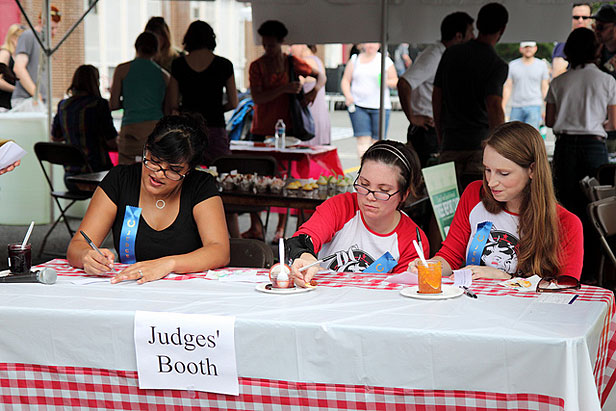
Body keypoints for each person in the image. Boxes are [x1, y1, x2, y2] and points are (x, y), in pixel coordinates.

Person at [408, 122, 583, 280]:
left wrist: (506, 278)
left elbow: (564, 290)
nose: (491, 182)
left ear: (533, 170)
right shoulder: (474, 194)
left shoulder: (566, 223)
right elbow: (450, 256)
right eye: (487, 170)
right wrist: (429, 266)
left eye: (503, 173)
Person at [66, 114, 230, 284]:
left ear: (188, 171)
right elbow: (77, 246)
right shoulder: (120, 180)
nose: (159, 174)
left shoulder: (200, 186)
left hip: (185, 292)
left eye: (173, 170)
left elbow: (219, 250)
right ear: (146, 149)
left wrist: (168, 264)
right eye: (154, 160)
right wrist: (87, 256)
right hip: (128, 289)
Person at [289, 140, 429, 287]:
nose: (369, 196)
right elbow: (301, 240)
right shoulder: (342, 207)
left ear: (404, 194)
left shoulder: (413, 241)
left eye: (383, 190)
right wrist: (306, 258)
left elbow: (400, 294)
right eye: (364, 184)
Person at [545, 28, 616, 283]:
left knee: (566, 209)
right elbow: (612, 123)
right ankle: (596, 273)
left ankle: (568, 267)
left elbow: (550, 120)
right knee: (597, 210)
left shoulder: (558, 81)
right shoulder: (607, 80)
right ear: (596, 50)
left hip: (565, 148)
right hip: (594, 146)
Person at [245, 20, 326, 243]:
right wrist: (283, 88)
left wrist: (313, 93)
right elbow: (257, 98)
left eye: (272, 46)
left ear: (281, 43)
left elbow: (321, 75)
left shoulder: (292, 62)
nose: (268, 50)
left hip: (289, 129)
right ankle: (256, 225)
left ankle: (281, 228)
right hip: (262, 128)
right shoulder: (257, 66)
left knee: (287, 180)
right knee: (256, 180)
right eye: (265, 45)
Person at [433, 2, 508, 189]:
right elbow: (494, 106)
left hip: (450, 141)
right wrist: (500, 145)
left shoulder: (451, 53)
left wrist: (440, 133)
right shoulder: (496, 64)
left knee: (445, 205)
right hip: (479, 146)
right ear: (503, 29)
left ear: (479, 25)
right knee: (476, 203)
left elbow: (437, 96)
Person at [397, 12, 475, 168]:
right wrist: (412, 117)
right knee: (429, 181)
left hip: (439, 129)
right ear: (459, 36)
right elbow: (404, 83)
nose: (473, 37)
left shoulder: (448, 55)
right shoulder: (433, 56)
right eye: (471, 32)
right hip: (427, 130)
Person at [166, 20, 238, 164]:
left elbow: (173, 102)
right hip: (216, 126)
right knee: (220, 169)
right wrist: (217, 109)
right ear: (211, 39)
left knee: (186, 171)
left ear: (188, 40)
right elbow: (233, 102)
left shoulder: (178, 65)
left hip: (187, 129)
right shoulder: (225, 65)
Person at [51, 65, 118, 191]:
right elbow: (111, 142)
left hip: (70, 178)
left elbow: (56, 137)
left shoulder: (63, 106)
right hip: (97, 176)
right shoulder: (99, 104)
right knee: (129, 184)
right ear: (94, 82)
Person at [110, 31, 169, 165]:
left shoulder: (122, 70)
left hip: (130, 131)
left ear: (136, 47)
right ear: (156, 51)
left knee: (125, 176)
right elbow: (167, 108)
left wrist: (129, 102)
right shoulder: (164, 76)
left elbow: (113, 104)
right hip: (155, 131)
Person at [341, 42, 398, 158]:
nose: (370, 45)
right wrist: (348, 95)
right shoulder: (355, 59)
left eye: (374, 43)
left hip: (380, 106)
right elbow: (345, 80)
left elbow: (395, 81)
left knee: (378, 142)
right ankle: (363, 168)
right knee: (362, 141)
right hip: (358, 105)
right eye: (367, 43)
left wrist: (385, 82)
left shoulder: (385, 61)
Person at [11, 5, 61, 108]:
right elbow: (18, 68)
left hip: (40, 100)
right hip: (26, 100)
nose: (54, 32)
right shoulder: (28, 36)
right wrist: (35, 93)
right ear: (40, 21)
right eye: (51, 28)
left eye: (56, 28)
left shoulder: (45, 42)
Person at [289, 44, 331, 145]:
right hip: (322, 115)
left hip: (309, 116)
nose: (290, 49)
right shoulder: (318, 60)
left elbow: (299, 83)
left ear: (303, 45)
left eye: (292, 45)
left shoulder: (305, 62)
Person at [502, 41, 549, 130]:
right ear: (521, 49)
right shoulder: (513, 65)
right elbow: (508, 86)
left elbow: (544, 87)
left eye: (530, 47)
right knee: (514, 135)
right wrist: (503, 106)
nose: (528, 49)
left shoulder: (541, 65)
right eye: (526, 47)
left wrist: (547, 107)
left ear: (535, 48)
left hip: (534, 106)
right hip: (516, 106)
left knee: (531, 136)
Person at [593, 4, 616, 154]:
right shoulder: (595, 51)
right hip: (599, 128)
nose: (597, 31)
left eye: (601, 27)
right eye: (595, 26)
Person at [552, 3, 592, 79]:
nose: (580, 20)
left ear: (590, 18)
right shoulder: (563, 44)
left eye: (584, 17)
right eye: (576, 17)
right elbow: (557, 74)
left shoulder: (597, 42)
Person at [0, 24, 24, 111]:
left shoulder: (18, 56)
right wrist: (16, 89)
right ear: (13, 38)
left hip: (11, 104)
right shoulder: (5, 54)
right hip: (2, 105)